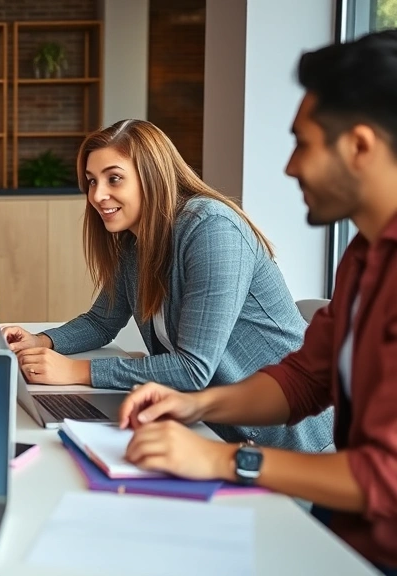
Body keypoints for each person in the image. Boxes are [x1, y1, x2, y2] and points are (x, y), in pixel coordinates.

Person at [116, 30, 397, 574]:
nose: (291, 167)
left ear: (359, 146)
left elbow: (385, 477)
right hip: (342, 532)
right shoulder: (364, 253)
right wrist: (198, 406)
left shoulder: (211, 227)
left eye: (304, 143)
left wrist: (223, 459)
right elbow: (302, 380)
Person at [2, 119, 332, 452]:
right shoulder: (135, 243)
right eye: (91, 181)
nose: (97, 195)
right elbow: (101, 321)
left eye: (114, 178)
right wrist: (42, 341)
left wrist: (77, 371)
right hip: (215, 432)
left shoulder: (211, 230)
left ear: (152, 177)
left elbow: (193, 368)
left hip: (289, 440)